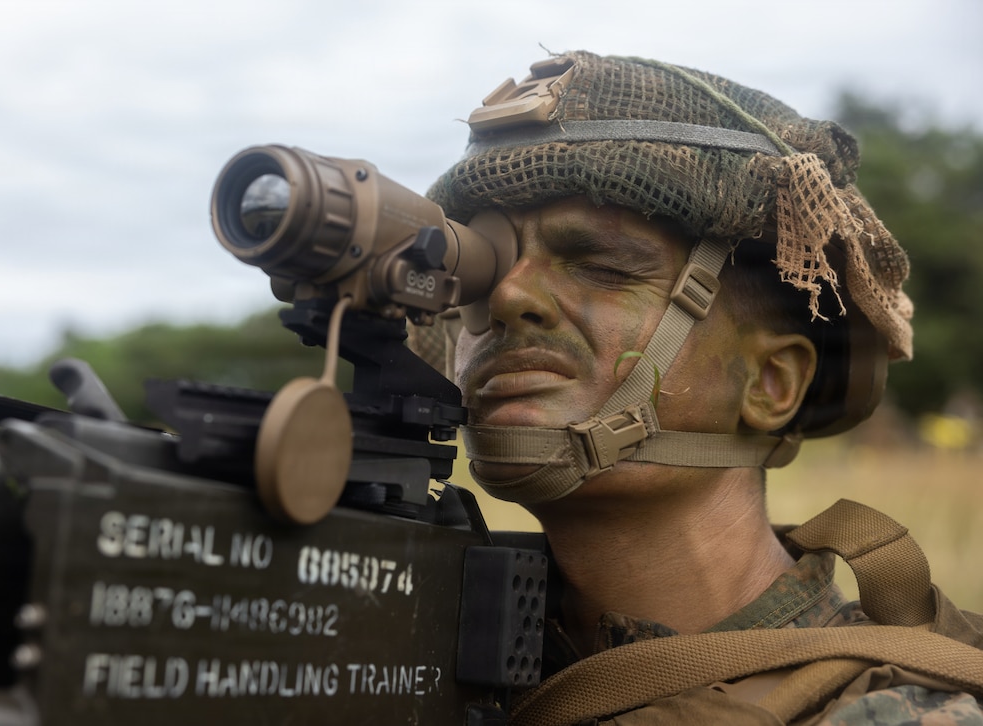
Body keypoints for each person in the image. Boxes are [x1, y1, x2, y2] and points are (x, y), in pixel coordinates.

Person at [413, 51, 983, 724]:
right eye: (485, 272)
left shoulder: (894, 709)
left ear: (771, 383)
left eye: (601, 266)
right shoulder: (412, 662)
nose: (508, 297)